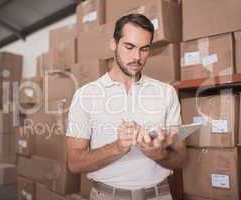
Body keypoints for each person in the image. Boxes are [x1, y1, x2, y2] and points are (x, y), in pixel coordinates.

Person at [66, 14, 187, 200]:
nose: (136, 57)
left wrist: (159, 153)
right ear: (113, 44)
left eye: (144, 49)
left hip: (159, 195)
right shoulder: (86, 95)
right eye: (129, 47)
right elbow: (74, 163)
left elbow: (181, 158)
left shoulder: (166, 92)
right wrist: (117, 147)